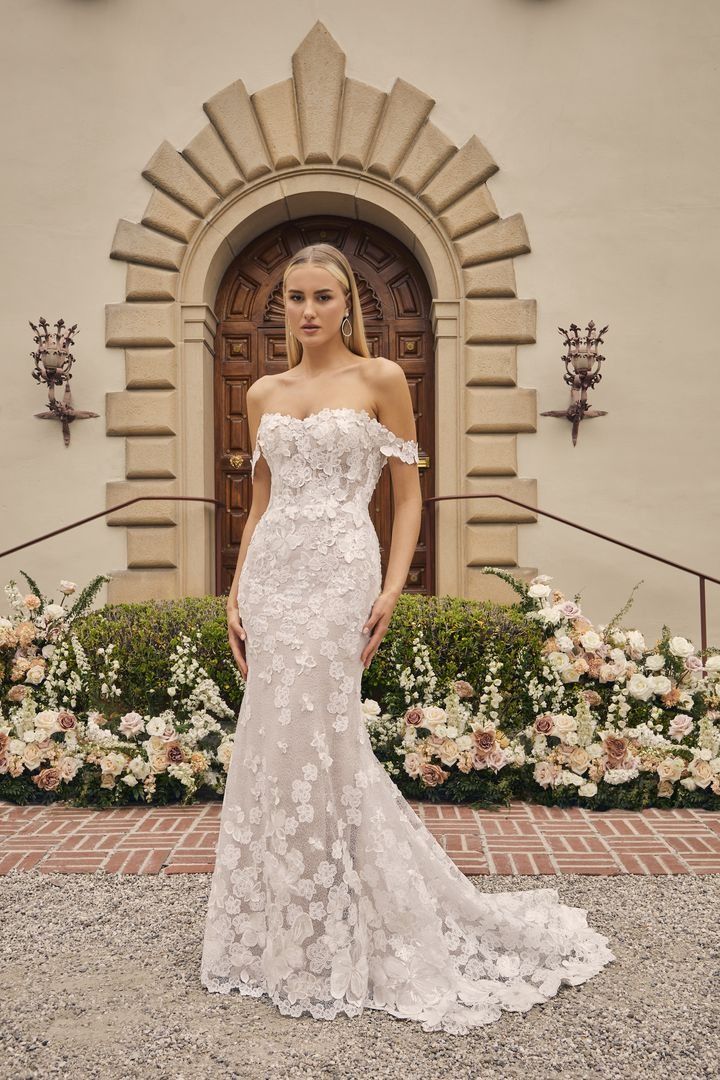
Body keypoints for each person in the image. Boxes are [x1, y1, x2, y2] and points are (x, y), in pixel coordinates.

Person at [200, 243, 615, 1034]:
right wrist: (235, 589)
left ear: (348, 303)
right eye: (295, 297)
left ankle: (348, 922)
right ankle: (278, 934)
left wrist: (392, 586)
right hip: (274, 575)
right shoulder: (261, 392)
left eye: (324, 296)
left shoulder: (382, 380)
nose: (309, 310)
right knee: (271, 741)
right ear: (281, 306)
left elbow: (411, 496)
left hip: (342, 570)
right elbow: (258, 504)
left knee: (325, 731)